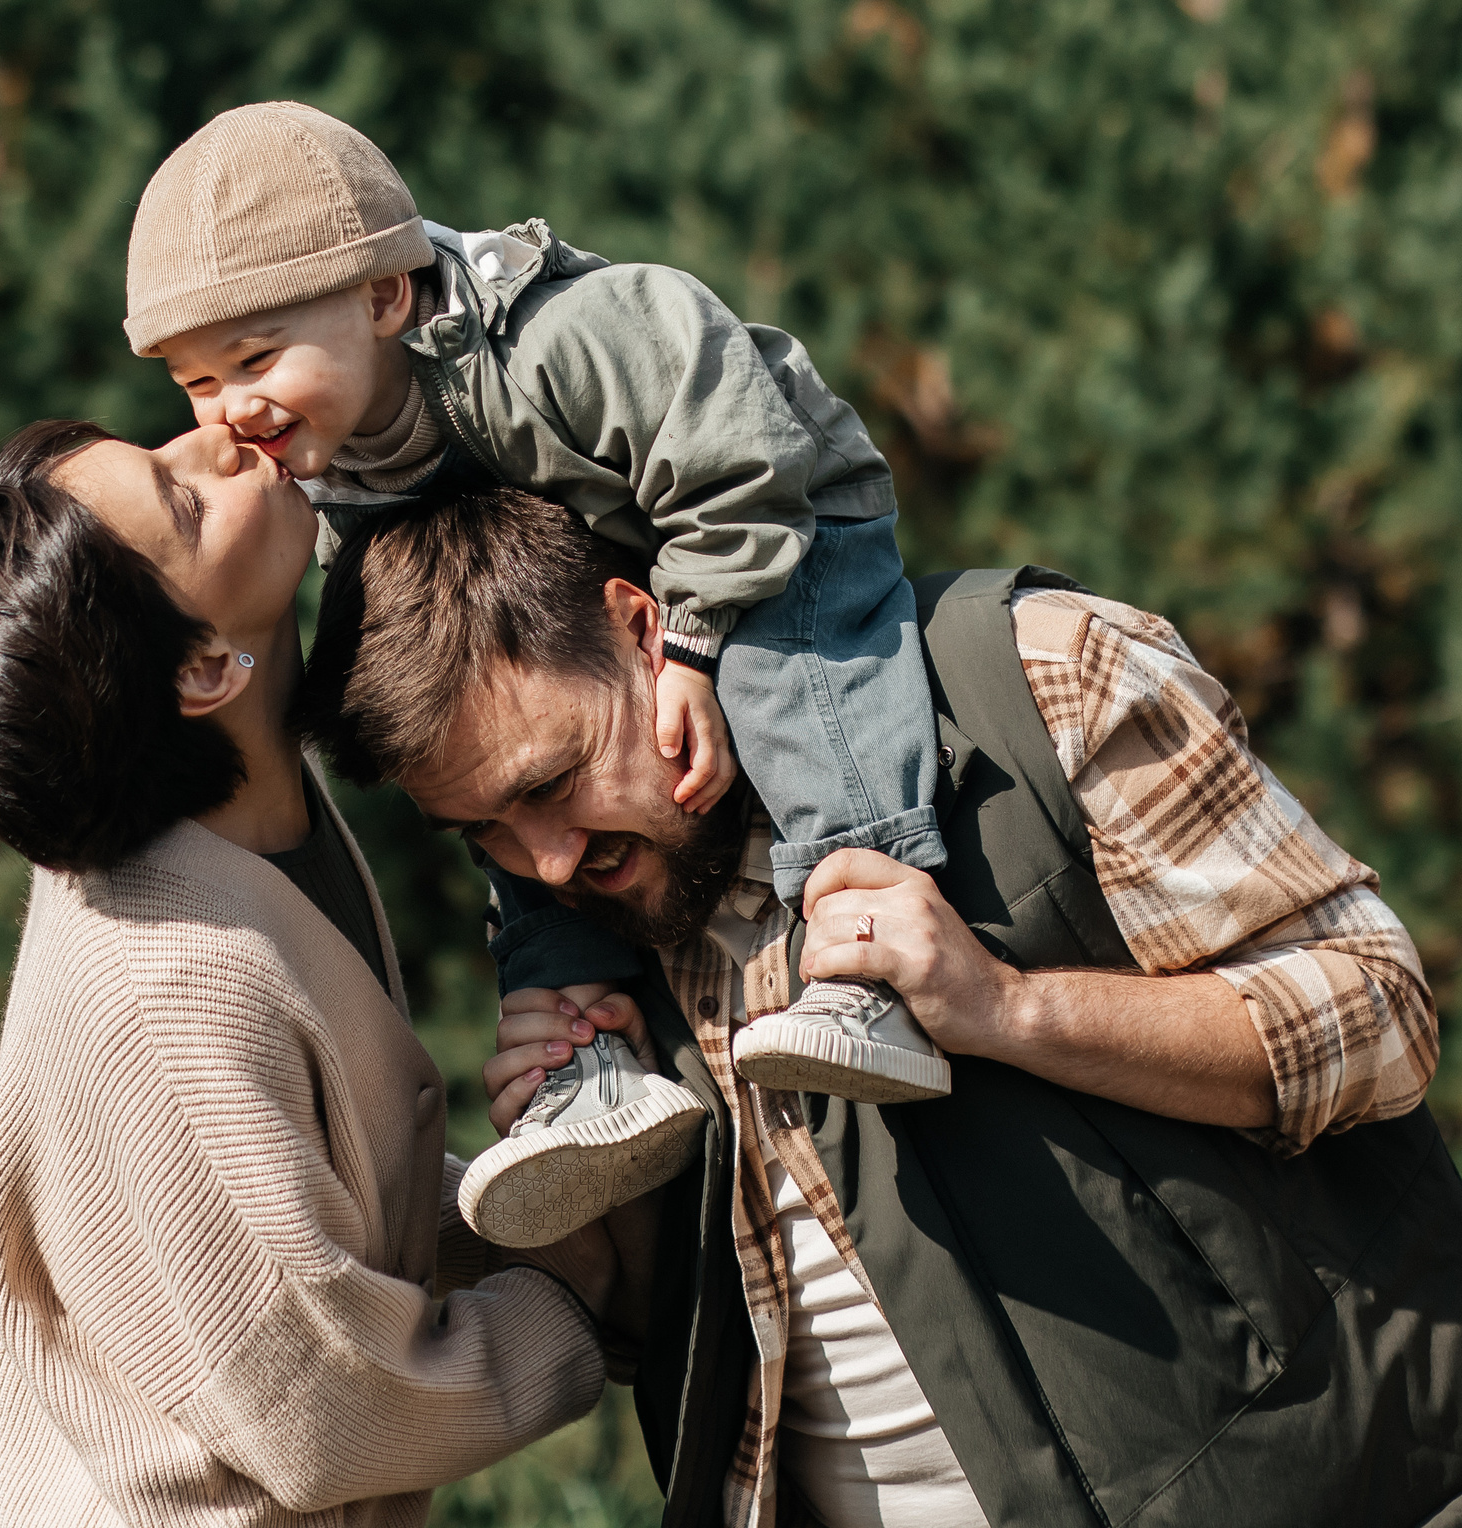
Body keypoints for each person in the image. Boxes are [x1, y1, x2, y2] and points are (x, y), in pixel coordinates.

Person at [302, 485, 1462, 1528]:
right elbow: (702, 1323)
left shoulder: (1029, 673)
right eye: (486, 836)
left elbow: (1378, 1017)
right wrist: (598, 1193)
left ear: (643, 626)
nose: (544, 862)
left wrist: (1005, 1008)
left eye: (548, 786)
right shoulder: (586, 913)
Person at [124, 101, 951, 1246]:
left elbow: (736, 456)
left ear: (383, 295)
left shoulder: (564, 338)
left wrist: (698, 639)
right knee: (510, 818)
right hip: (577, 607)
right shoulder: (326, 455)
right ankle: (582, 1067)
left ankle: (868, 954)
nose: (231, 412)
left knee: (784, 685)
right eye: (194, 382)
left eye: (255, 359)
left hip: (766, 526)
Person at [0, 420, 640, 1528]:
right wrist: (587, 1292)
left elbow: (294, 1198)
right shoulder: (164, 988)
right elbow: (317, 1404)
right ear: (201, 668)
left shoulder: (254, 820)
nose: (219, 437)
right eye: (185, 502)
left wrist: (526, 1205)